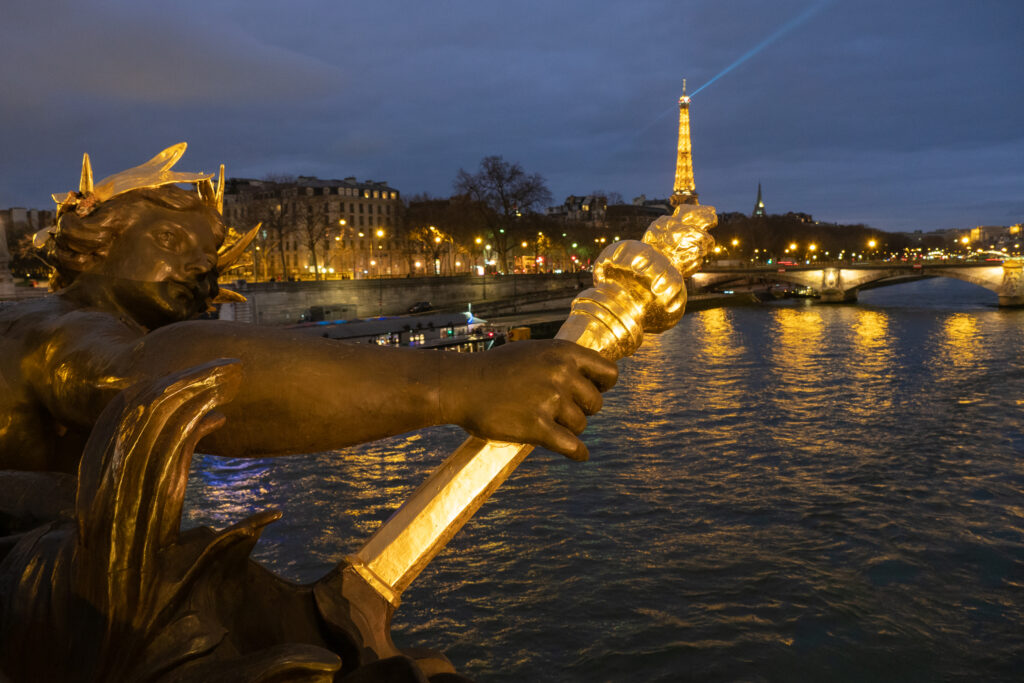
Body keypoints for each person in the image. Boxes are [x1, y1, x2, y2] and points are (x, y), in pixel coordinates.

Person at [0, 144, 617, 477]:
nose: (199, 267)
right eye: (170, 242)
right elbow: (151, 382)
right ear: (94, 243)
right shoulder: (54, 331)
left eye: (210, 257)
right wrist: (459, 385)